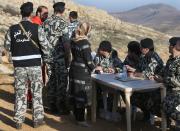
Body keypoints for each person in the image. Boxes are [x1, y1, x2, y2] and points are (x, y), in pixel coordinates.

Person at [4, 2, 49, 129]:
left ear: (21, 13)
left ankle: (18, 120)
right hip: (34, 66)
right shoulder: (37, 28)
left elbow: (7, 47)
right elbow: (46, 47)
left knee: (20, 93)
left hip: (19, 67)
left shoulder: (12, 29)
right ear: (31, 13)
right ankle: (37, 120)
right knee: (36, 93)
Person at [43, 2, 71, 115]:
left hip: (48, 57)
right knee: (62, 82)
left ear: (54, 10)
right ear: (63, 10)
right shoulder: (63, 23)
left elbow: (42, 40)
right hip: (59, 58)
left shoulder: (46, 22)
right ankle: (61, 107)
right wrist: (68, 58)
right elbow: (66, 43)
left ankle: (51, 106)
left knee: (51, 81)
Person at [126, 38, 164, 121]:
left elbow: (147, 74)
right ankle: (146, 114)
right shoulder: (145, 57)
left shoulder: (154, 58)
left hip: (155, 88)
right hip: (146, 85)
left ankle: (151, 115)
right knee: (130, 95)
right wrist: (132, 70)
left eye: (141, 48)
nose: (139, 49)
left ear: (146, 49)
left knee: (136, 97)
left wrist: (135, 74)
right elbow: (139, 69)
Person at [69, 22, 95, 127]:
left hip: (74, 68)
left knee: (75, 92)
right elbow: (88, 61)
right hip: (82, 72)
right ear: (87, 31)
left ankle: (76, 115)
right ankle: (80, 120)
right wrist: (95, 68)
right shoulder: (85, 43)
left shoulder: (74, 40)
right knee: (81, 94)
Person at [153, 37, 180, 130]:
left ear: (174, 47)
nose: (168, 47)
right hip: (167, 90)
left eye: (169, 45)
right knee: (151, 99)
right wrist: (156, 76)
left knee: (166, 105)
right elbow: (163, 72)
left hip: (177, 93)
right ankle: (167, 122)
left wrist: (164, 79)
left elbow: (178, 82)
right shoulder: (171, 60)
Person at [93, 41, 123, 120]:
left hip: (112, 82)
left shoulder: (114, 57)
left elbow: (121, 69)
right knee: (96, 88)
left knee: (112, 92)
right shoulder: (98, 56)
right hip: (100, 80)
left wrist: (111, 70)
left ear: (104, 50)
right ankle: (99, 107)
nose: (98, 50)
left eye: (100, 49)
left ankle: (110, 109)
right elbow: (94, 65)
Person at [26, 5, 48, 110]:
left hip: (33, 56)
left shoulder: (35, 22)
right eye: (45, 13)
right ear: (38, 13)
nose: (46, 15)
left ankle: (29, 100)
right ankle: (31, 101)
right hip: (36, 57)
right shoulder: (36, 23)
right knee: (35, 80)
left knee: (31, 80)